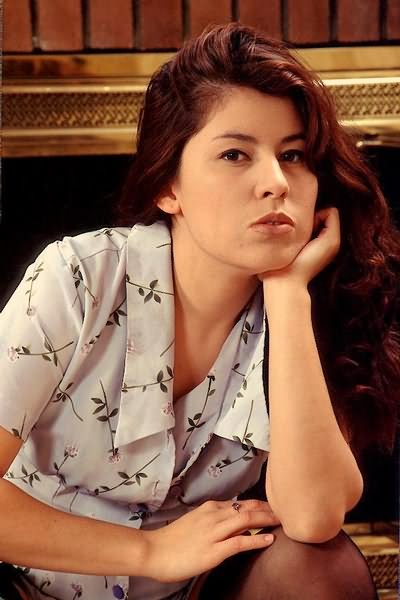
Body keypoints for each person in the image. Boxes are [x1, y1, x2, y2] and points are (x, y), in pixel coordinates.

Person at [0, 21, 398, 600]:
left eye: (293, 155)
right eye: (235, 154)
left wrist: (288, 293)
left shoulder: (316, 300)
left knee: (319, 567)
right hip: (23, 583)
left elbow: (314, 516)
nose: (276, 182)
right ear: (169, 188)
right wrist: (149, 552)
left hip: (193, 590)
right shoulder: (79, 278)